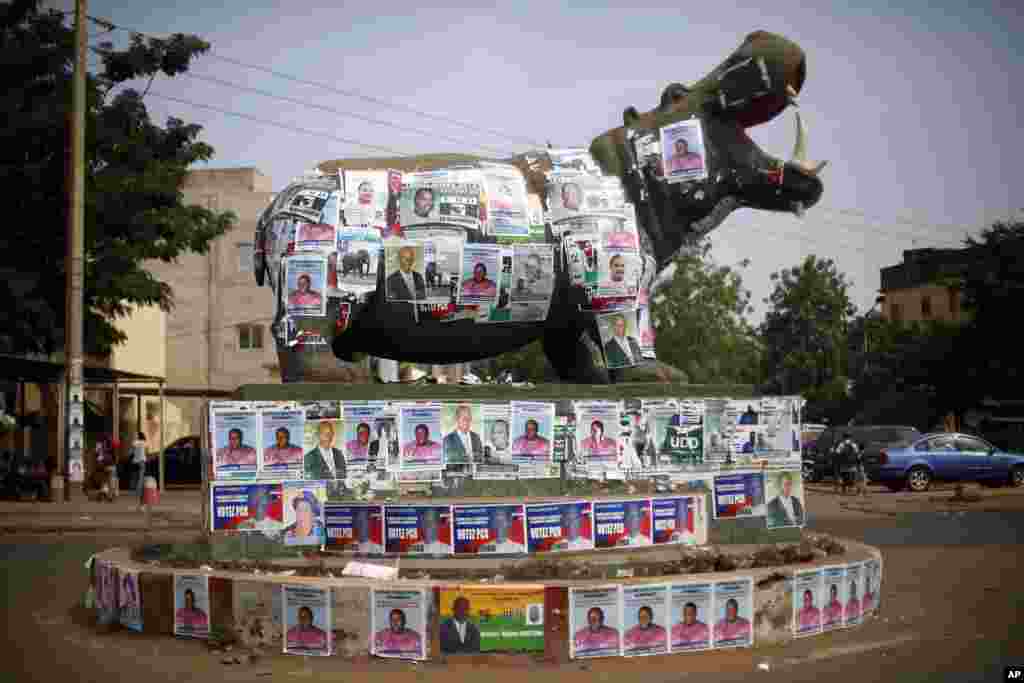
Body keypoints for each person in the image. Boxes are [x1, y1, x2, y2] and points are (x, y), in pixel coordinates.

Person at [130, 432, 147, 506]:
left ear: (138, 436)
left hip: (135, 462)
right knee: (141, 478)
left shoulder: (134, 443)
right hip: (142, 462)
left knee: (136, 477)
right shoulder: (144, 443)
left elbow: (131, 452)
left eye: (136, 435)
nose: (135, 435)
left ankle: (136, 490)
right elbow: (147, 452)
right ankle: (139, 492)